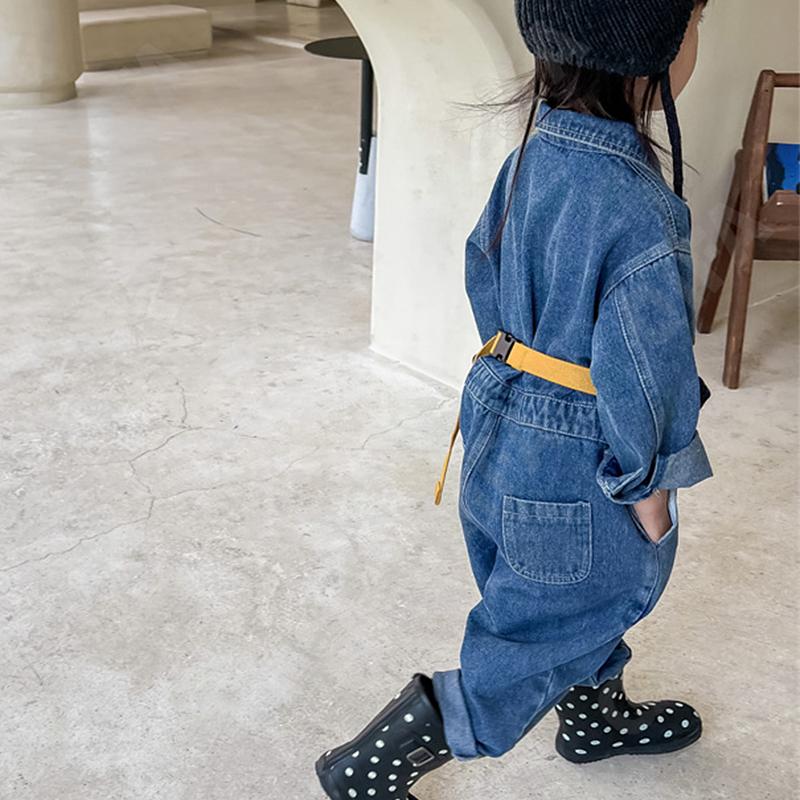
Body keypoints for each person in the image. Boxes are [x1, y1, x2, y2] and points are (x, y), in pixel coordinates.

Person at [316, 1, 714, 797]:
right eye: (696, 19)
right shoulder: (641, 209)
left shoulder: (532, 155)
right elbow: (647, 372)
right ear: (657, 48)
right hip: (582, 457)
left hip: (500, 418)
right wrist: (651, 489)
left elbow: (483, 269)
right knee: (554, 620)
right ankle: (369, 767)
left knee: (550, 600)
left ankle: (594, 719)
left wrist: (521, 387)